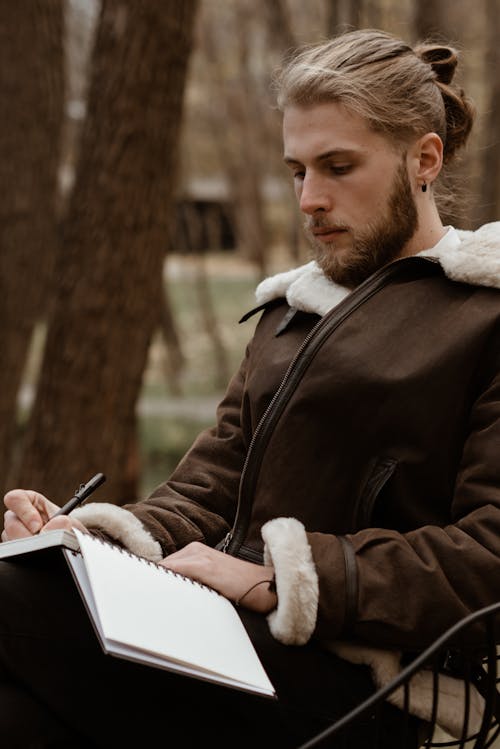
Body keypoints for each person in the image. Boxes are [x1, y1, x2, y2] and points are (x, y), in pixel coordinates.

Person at [2, 27, 500, 749]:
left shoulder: (483, 315)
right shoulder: (290, 312)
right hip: (223, 642)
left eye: (338, 166)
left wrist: (276, 580)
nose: (309, 199)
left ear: (423, 158)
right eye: (297, 170)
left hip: (370, 685)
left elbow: (489, 553)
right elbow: (207, 488)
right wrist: (84, 537)